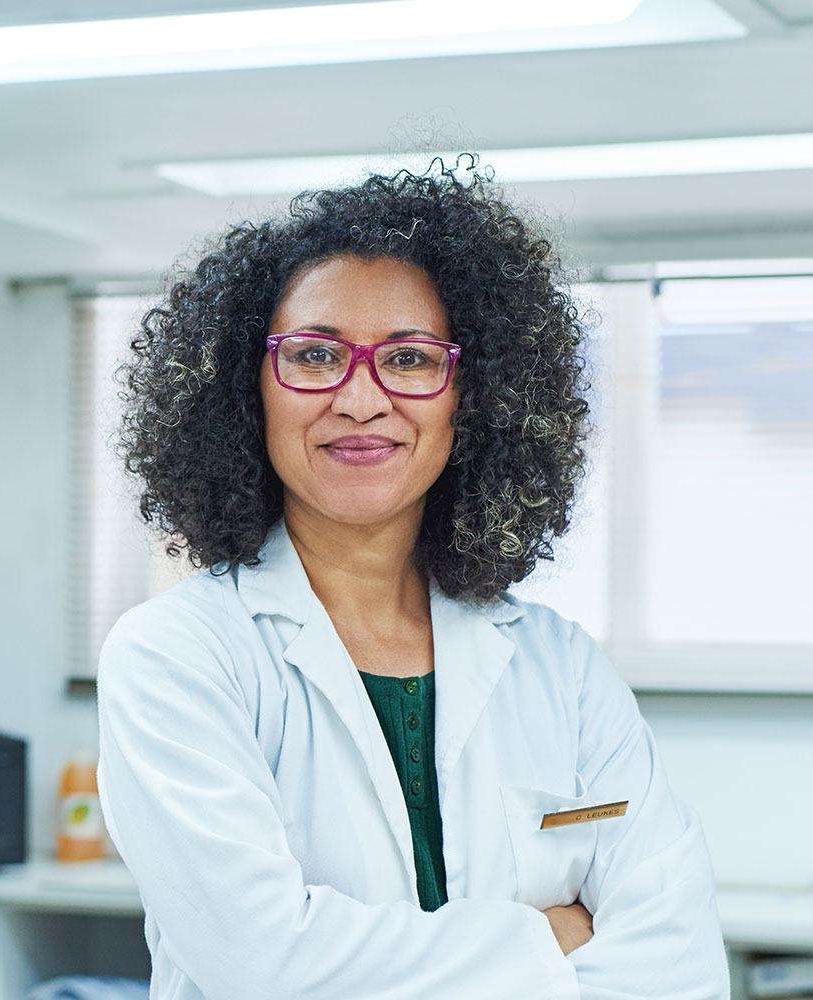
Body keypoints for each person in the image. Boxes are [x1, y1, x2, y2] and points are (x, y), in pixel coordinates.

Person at [97, 157, 727, 999]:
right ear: (248, 391)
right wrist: (548, 938)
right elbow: (264, 965)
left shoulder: (562, 669)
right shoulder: (176, 655)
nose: (361, 400)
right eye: (314, 355)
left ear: (475, 394)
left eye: (409, 358)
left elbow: (679, 965)